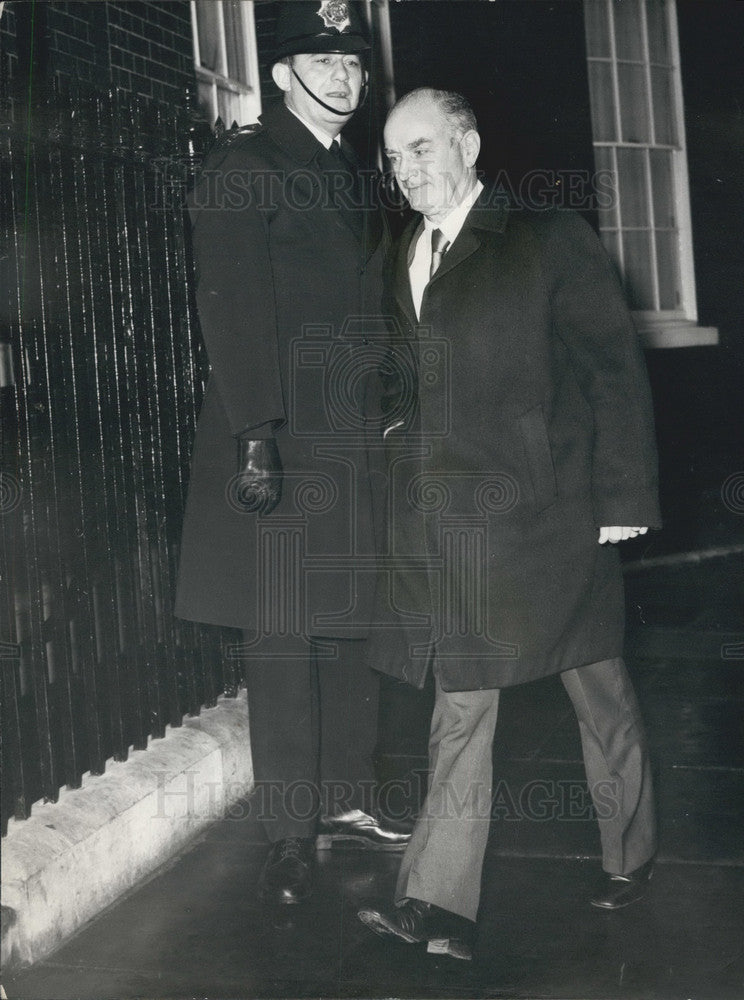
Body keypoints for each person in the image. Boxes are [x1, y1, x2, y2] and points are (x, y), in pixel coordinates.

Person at [357, 87, 660, 960]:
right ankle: (438, 903)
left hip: (554, 514)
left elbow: (611, 373)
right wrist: (392, 430)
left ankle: (630, 851)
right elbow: (397, 373)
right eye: (393, 156)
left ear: (469, 144)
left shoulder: (547, 237)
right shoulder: (403, 253)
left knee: (598, 689)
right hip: (455, 528)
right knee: (462, 704)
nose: (405, 170)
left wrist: (623, 503)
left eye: (421, 149)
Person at [175, 2, 409, 907]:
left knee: (349, 626)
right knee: (279, 637)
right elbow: (230, 315)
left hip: (351, 441)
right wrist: (255, 439)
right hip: (274, 442)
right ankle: (287, 831)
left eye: (354, 62)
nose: (347, 77)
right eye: (324, 60)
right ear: (281, 74)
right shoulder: (246, 168)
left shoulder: (347, 170)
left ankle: (347, 798)